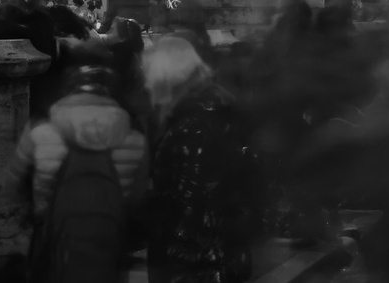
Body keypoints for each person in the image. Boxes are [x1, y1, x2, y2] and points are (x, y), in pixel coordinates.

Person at [143, 33, 259, 283]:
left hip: (194, 256)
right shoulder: (211, 110)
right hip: (215, 245)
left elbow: (192, 198)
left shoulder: (192, 123)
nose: (147, 85)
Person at [19, 61, 149, 283]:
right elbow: (138, 196)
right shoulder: (135, 139)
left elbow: (13, 181)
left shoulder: (41, 132)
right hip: (110, 236)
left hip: (57, 236)